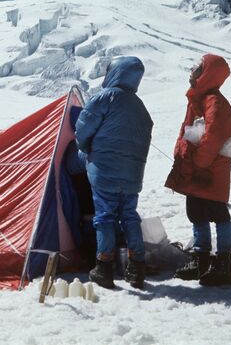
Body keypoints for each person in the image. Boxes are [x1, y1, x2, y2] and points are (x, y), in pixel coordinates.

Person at [75, 56, 153, 290]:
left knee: (105, 217)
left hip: (105, 171)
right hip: (132, 175)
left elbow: (83, 129)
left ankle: (103, 267)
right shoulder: (140, 108)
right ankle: (137, 266)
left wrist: (85, 149)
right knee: (129, 216)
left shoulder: (105, 98)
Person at [165, 53, 231, 286]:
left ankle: (224, 262)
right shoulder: (200, 99)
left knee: (218, 213)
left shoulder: (213, 101)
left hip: (209, 170)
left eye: (197, 68)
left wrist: (199, 162)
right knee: (196, 211)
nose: (192, 71)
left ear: (207, 73)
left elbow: (214, 134)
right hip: (198, 168)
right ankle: (201, 258)